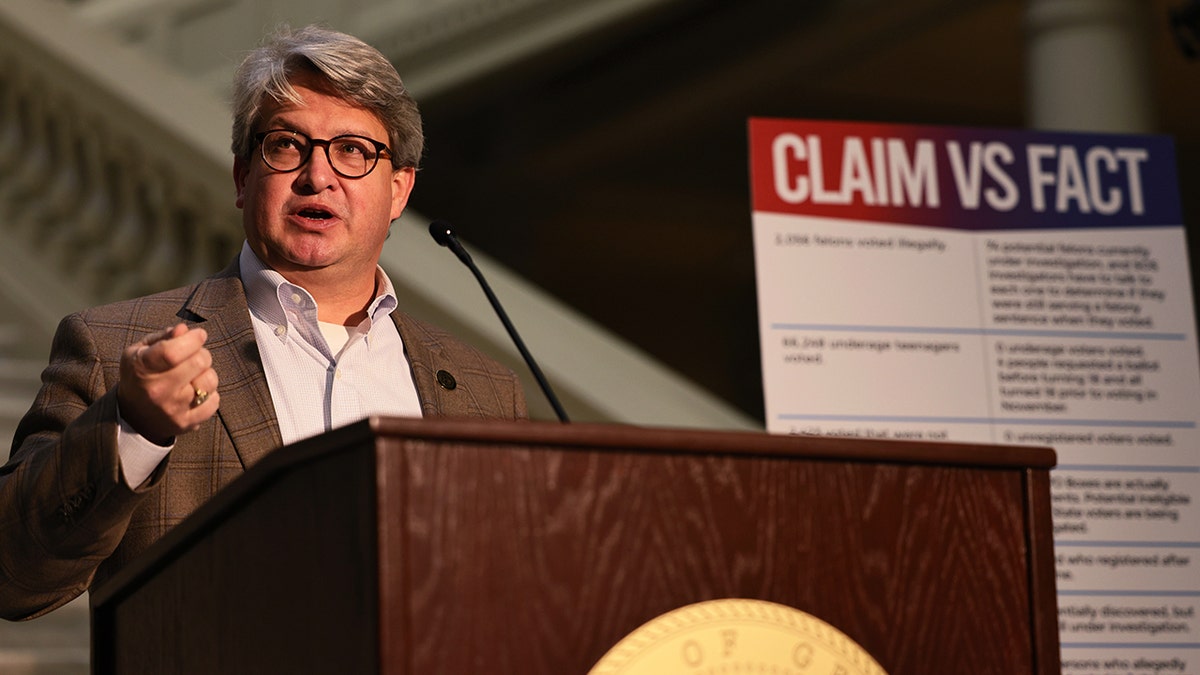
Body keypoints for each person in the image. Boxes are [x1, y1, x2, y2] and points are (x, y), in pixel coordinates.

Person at [0, 25, 527, 621]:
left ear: (399, 190)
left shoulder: (486, 391)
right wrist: (134, 429)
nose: (318, 175)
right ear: (242, 176)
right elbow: (12, 573)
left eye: (353, 150)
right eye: (286, 145)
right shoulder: (114, 349)